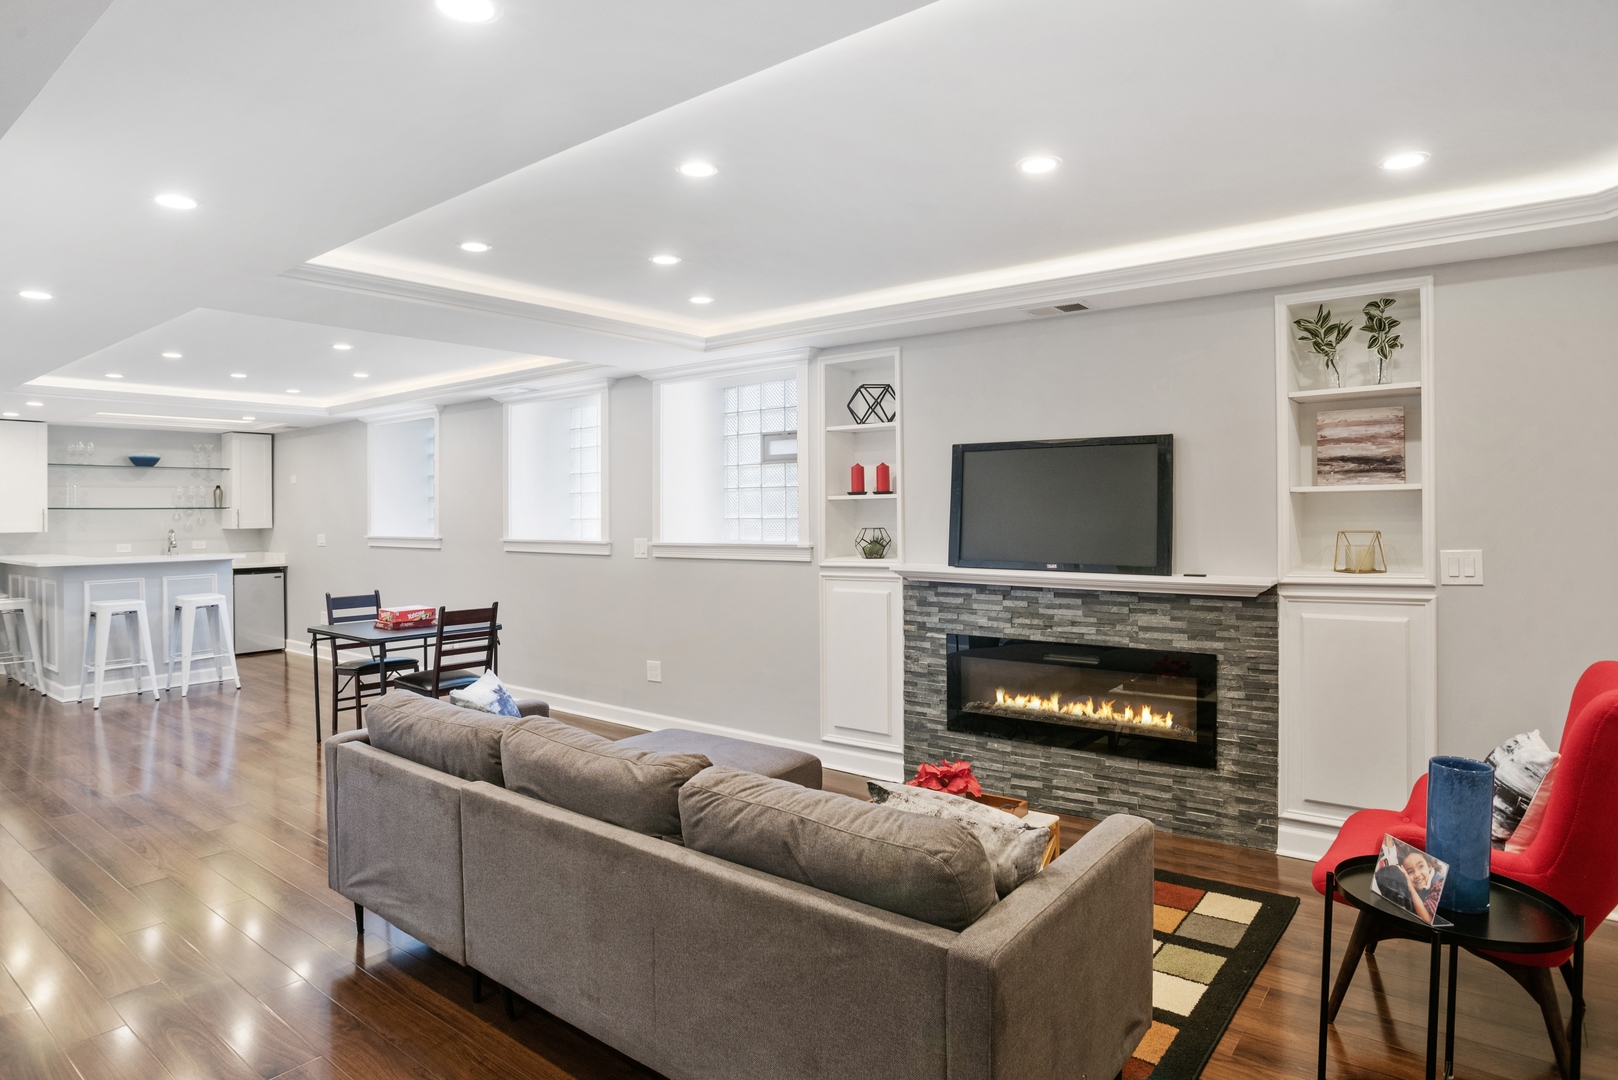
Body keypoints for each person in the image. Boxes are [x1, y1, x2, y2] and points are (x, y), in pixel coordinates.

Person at [1375, 845, 1443, 924]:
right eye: (1410, 872)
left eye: (1421, 866)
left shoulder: (1439, 884)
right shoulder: (1418, 886)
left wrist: (1411, 888)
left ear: (1429, 866)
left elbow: (1427, 919)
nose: (1417, 874)